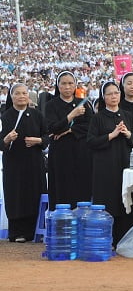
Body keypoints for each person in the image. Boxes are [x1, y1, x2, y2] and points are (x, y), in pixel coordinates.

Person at [87, 81, 133, 245]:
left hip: (125, 164)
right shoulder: (97, 117)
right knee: (107, 201)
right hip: (105, 166)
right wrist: (111, 135)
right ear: (104, 97)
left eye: (116, 93)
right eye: (109, 94)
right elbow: (91, 142)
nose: (113, 96)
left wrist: (127, 133)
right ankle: (106, 240)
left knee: (124, 201)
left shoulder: (128, 115)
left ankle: (122, 240)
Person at [0, 83, 49, 242]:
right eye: (18, 93)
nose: (22, 96)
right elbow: (1, 142)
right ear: (11, 96)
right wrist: (6, 139)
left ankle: (35, 231)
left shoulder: (37, 115)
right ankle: (17, 232)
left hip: (34, 162)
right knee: (16, 194)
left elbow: (47, 137)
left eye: (24, 93)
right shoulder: (5, 116)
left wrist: (38, 140)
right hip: (14, 163)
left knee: (34, 192)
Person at [45, 71, 94, 209]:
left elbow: (90, 126)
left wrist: (70, 130)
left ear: (75, 85)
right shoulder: (51, 105)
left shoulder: (83, 103)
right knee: (62, 188)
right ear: (58, 85)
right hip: (61, 153)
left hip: (81, 152)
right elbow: (52, 128)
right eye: (64, 83)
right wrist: (71, 116)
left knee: (81, 188)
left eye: (70, 83)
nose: (67, 87)